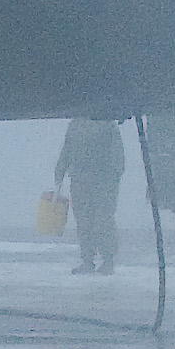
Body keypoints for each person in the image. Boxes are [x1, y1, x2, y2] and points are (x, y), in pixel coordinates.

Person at [53, 117, 126, 275]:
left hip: (103, 180)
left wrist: (113, 177)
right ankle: (87, 260)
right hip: (80, 179)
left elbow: (117, 155)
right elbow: (67, 149)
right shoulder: (75, 125)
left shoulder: (107, 124)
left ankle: (108, 260)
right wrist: (60, 171)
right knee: (83, 221)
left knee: (103, 220)